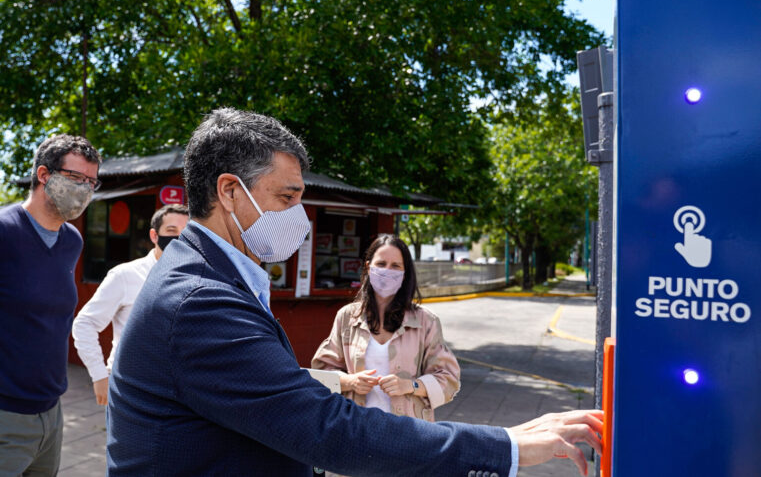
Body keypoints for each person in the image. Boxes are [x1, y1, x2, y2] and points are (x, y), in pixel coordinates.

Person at [107, 108, 602, 477]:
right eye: (286, 197)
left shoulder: (208, 277)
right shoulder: (200, 299)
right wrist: (506, 445)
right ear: (231, 192)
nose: (296, 217)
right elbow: (327, 429)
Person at [0, 134, 101, 476]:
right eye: (76, 179)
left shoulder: (71, 240)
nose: (85, 189)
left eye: (91, 181)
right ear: (44, 175)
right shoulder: (5, 232)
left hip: (52, 414)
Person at [312, 234, 460, 423]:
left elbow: (449, 380)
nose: (387, 271)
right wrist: (351, 382)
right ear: (368, 267)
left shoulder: (426, 321)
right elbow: (321, 374)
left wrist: (410, 385)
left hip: (409, 432)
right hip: (355, 428)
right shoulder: (347, 317)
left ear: (405, 273)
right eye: (381, 264)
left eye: (395, 266)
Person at [72, 204, 189, 405]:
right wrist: (99, 376)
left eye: (186, 233)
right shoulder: (126, 275)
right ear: (154, 236)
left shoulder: (195, 277)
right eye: (171, 231)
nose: (179, 238)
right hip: (131, 388)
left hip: (179, 392)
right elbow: (84, 324)